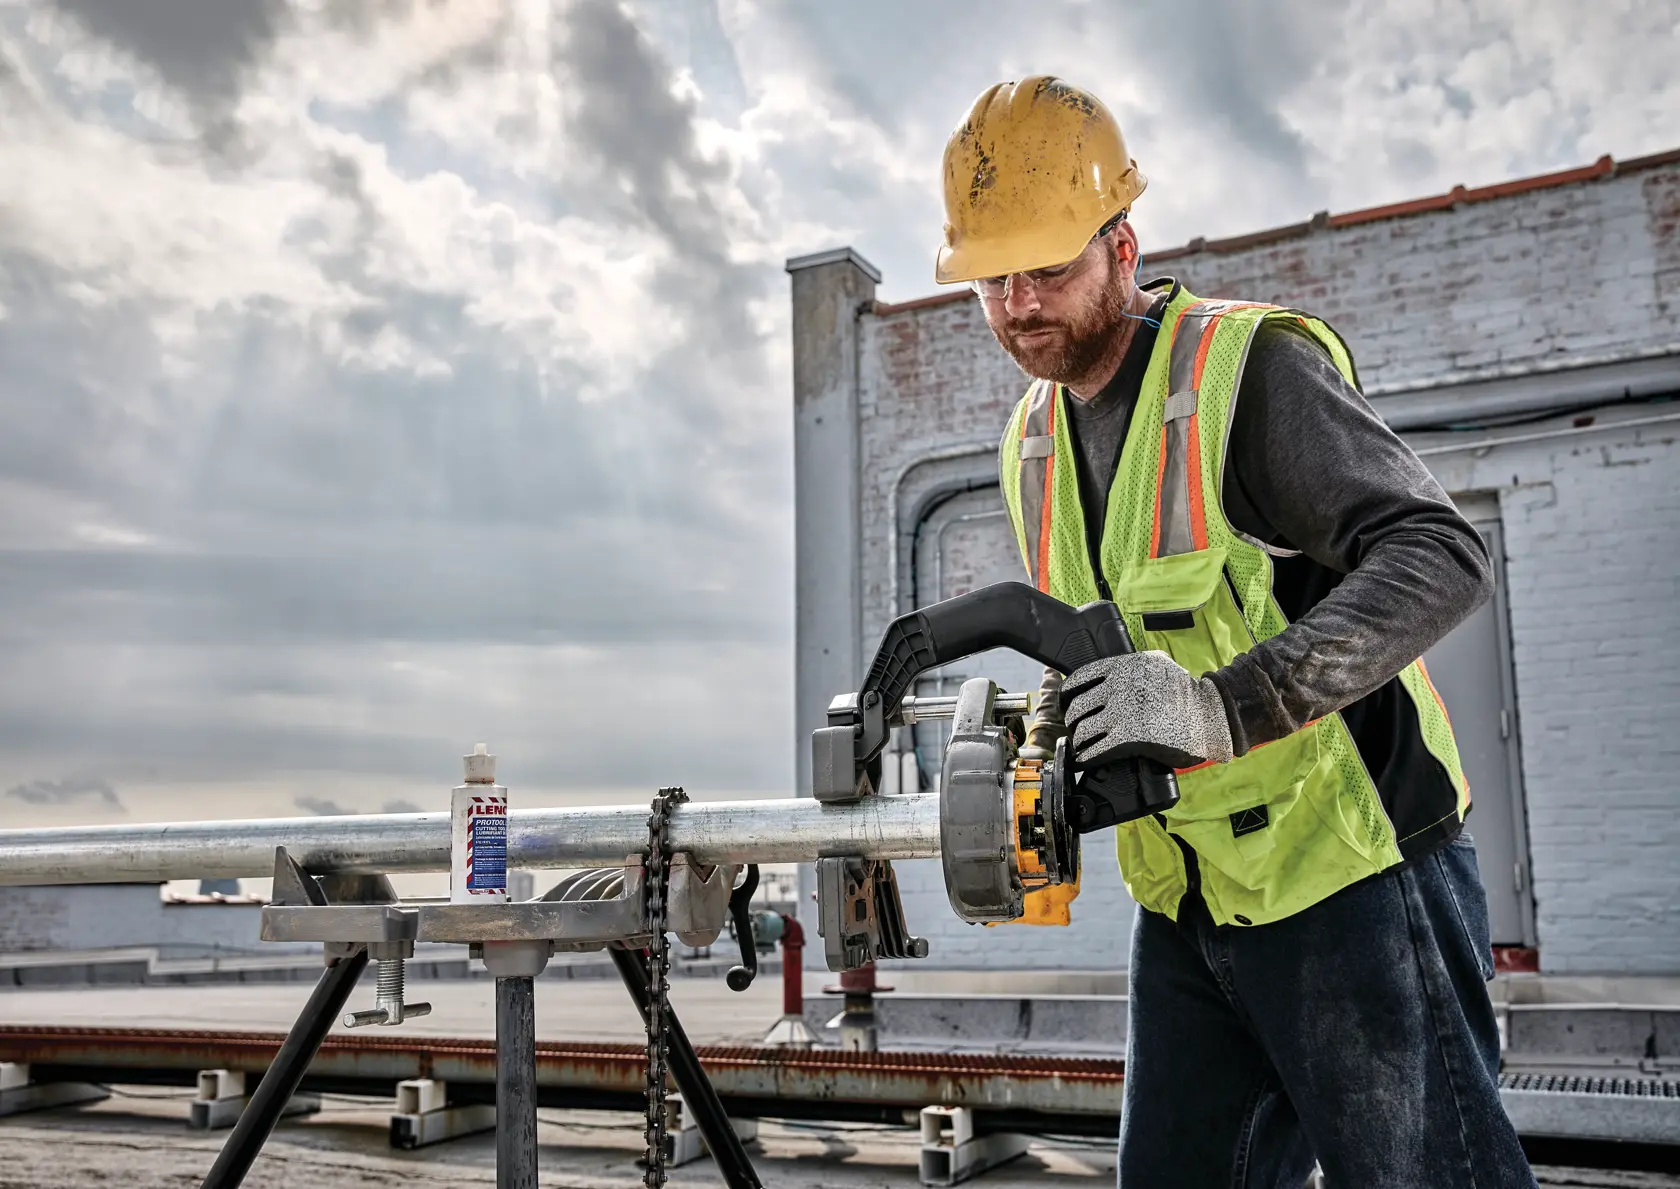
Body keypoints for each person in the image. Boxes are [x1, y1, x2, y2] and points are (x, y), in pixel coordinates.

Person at [933, 76, 1537, 1188]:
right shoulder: (1029, 440)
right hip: (1188, 901)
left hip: (1350, 878)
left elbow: (1442, 555)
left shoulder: (1244, 374)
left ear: (1122, 247)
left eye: (1049, 270)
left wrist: (1224, 705)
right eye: (992, 280)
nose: (1020, 304)